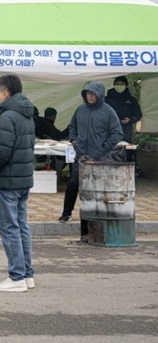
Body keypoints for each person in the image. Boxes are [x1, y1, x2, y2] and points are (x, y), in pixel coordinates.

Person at [0, 74, 35, 292]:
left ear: (5, 93)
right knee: (22, 226)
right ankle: (27, 274)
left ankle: (16, 277)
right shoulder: (26, 115)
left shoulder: (7, 118)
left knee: (10, 228)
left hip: (7, 181)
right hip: (22, 179)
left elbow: (0, 152)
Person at [60, 82, 124, 239]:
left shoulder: (108, 112)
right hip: (80, 155)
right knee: (74, 183)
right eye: (87, 93)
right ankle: (66, 213)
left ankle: (92, 225)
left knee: (93, 191)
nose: (89, 96)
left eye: (93, 93)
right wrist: (74, 140)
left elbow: (117, 134)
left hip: (100, 159)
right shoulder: (80, 109)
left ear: (99, 95)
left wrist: (103, 149)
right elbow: (72, 126)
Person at [105, 76, 142, 144]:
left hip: (126, 130)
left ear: (126, 85)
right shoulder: (106, 99)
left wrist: (130, 119)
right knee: (110, 147)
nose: (119, 85)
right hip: (109, 129)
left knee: (125, 148)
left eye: (122, 84)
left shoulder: (131, 100)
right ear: (114, 85)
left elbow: (138, 114)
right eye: (117, 84)